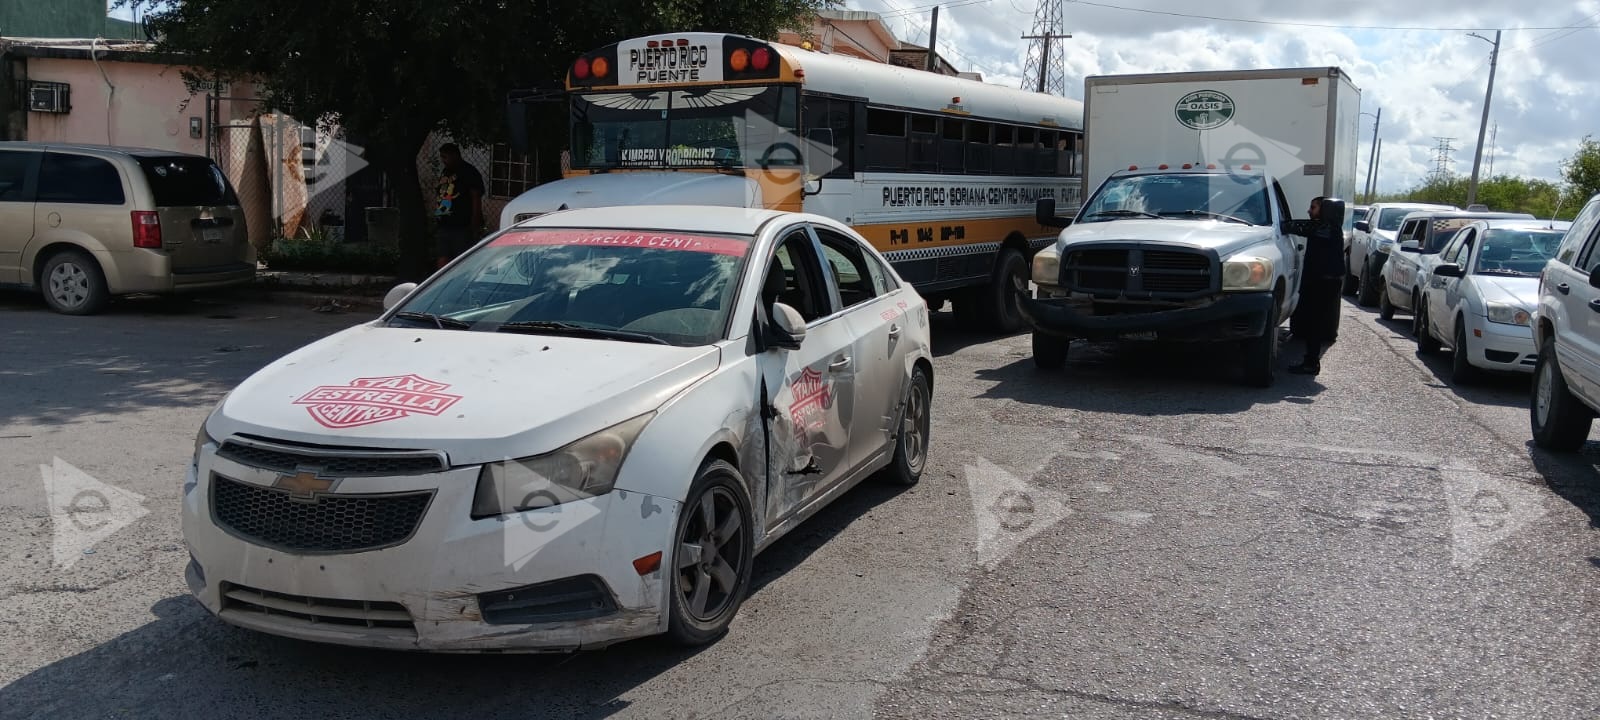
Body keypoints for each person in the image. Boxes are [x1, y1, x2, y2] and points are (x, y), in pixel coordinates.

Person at [1285, 196, 1347, 375]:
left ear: (1325, 210)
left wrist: (1282, 224)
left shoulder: (1327, 229)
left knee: (1314, 323)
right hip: (1323, 282)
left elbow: (1299, 227)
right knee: (1314, 322)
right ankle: (1310, 360)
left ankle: (1311, 363)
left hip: (1323, 283)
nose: (1309, 211)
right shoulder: (1328, 228)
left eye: (1313, 208)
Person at [434, 143, 485, 267]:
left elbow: (475, 198)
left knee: (460, 262)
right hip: (444, 223)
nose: (443, 160)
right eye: (442, 157)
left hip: (461, 226)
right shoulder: (446, 172)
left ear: (455, 155)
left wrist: (474, 224)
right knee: (442, 260)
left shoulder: (469, 172)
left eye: (445, 157)